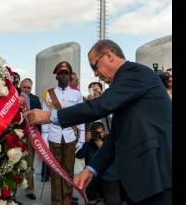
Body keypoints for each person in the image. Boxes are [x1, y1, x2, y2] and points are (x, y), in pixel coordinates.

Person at [27, 39, 172, 204]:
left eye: (94, 66)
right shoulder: (125, 84)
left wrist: (50, 116)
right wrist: (91, 169)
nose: (95, 73)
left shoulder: (135, 73)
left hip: (157, 175)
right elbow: (116, 137)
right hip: (143, 180)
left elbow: (98, 106)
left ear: (109, 56)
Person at [41, 61, 85, 205]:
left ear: (70, 76)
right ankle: (56, 202)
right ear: (57, 76)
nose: (64, 76)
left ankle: (66, 201)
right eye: (61, 74)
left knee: (68, 172)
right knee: (55, 172)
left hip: (70, 137)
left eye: (66, 73)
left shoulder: (77, 94)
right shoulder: (49, 94)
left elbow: (80, 116)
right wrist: (44, 138)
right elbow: (45, 116)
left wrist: (82, 137)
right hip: (53, 137)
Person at [76, 122, 123, 205]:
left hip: (109, 176)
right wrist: (84, 141)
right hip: (93, 177)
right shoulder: (89, 143)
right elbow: (79, 155)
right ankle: (93, 198)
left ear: (105, 132)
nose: (97, 135)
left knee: (113, 202)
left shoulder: (110, 141)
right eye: (95, 133)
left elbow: (114, 156)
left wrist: (99, 142)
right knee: (85, 179)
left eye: (100, 132)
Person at [19, 78, 42, 200]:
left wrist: (39, 138)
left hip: (30, 135)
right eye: (24, 87)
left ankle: (29, 190)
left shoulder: (35, 99)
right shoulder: (14, 97)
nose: (26, 89)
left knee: (29, 164)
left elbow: (39, 119)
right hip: (15, 134)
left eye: (29, 87)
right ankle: (11, 190)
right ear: (20, 86)